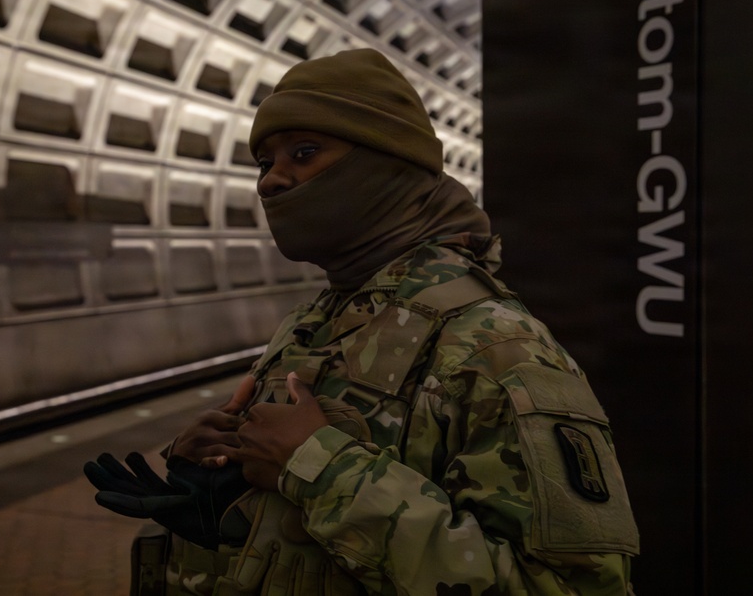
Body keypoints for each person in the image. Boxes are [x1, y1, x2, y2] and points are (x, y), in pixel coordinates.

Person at [85, 48, 639, 595]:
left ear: (387, 166)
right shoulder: (314, 324)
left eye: (304, 153)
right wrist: (225, 509)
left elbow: (569, 589)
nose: (271, 182)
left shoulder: (493, 347)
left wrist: (318, 465)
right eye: (265, 163)